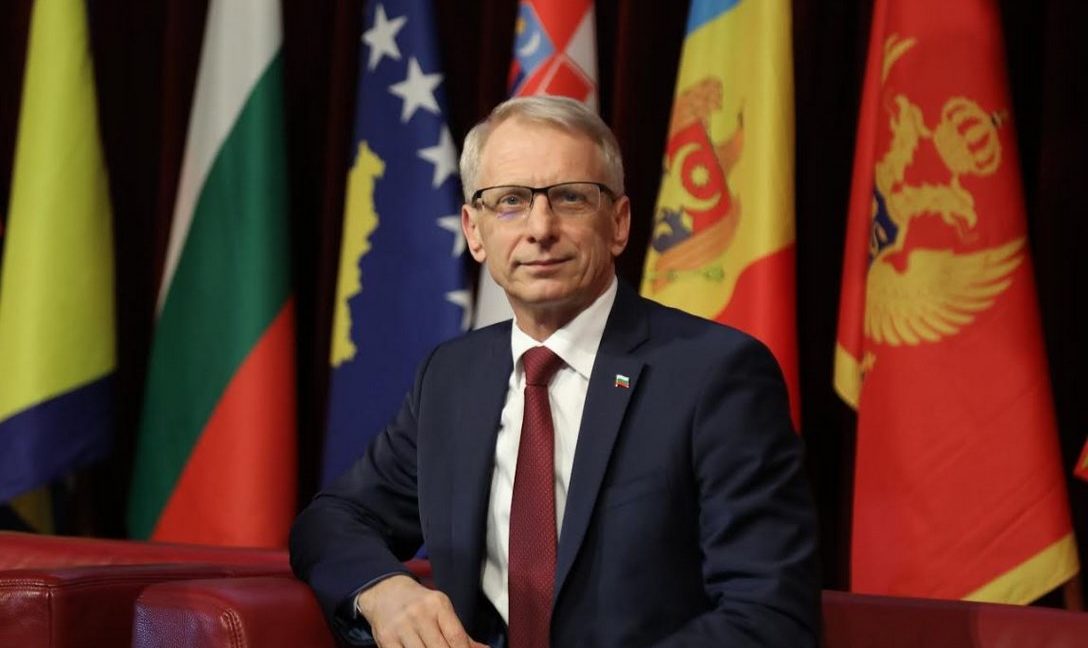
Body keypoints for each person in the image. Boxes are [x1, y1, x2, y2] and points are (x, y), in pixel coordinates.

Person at [290, 96, 819, 648]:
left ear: (619, 223)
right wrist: (385, 591)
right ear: (474, 231)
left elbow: (771, 614)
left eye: (570, 198)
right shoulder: (452, 378)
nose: (540, 229)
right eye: (510, 201)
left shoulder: (716, 375)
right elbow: (333, 520)